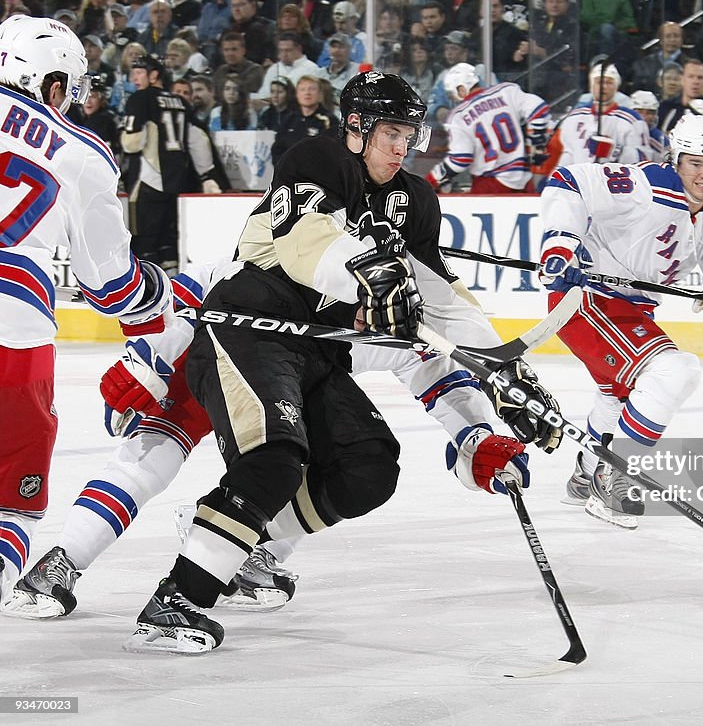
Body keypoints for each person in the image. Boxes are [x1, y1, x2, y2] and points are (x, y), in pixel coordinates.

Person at [123, 72, 561, 653]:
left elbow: (445, 304)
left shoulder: (415, 200)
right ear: (355, 128)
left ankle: (238, 536)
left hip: (317, 349)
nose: (402, 147)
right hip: (249, 328)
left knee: (368, 467)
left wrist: (504, 372)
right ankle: (176, 600)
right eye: (390, 133)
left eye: (410, 133)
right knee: (276, 457)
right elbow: (305, 243)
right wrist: (366, 270)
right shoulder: (317, 159)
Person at [2, 258, 548, 618]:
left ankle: (240, 548)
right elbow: (211, 279)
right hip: (220, 345)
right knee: (154, 458)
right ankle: (61, 562)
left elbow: (433, 370)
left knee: (336, 459)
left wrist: (475, 436)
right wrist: (146, 359)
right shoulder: (325, 245)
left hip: (293, 368)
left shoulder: (417, 307)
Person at [0, 15, 172, 601]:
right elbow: (113, 291)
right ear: (53, 84)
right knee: (11, 506)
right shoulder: (82, 153)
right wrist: (156, 297)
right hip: (14, 338)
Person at [538, 114, 703, 529]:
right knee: (676, 371)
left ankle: (586, 474)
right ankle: (616, 476)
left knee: (620, 397)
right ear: (676, 159)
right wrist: (561, 244)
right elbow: (569, 182)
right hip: (585, 298)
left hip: (632, 309)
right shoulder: (643, 186)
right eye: (696, 163)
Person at [122, 56, 222, 274]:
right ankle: (173, 292)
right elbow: (198, 140)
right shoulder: (181, 102)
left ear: (154, 74)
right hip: (176, 184)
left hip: (148, 183)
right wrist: (207, 176)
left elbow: (132, 143)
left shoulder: (140, 99)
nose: (134, 78)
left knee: (145, 244)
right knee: (169, 245)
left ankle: (148, 296)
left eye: (139, 73)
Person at [426, 64, 550, 194]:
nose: (454, 98)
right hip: (523, 179)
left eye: (453, 93)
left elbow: (460, 159)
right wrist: (537, 144)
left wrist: (432, 179)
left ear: (462, 89)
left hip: (490, 183)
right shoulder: (507, 91)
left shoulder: (459, 115)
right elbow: (538, 108)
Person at [547, 62, 647, 170]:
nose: (603, 87)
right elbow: (567, 153)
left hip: (614, 182)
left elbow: (644, 159)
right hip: (580, 181)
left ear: (616, 87)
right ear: (591, 85)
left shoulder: (632, 120)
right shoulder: (574, 117)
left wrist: (616, 151)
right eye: (599, 82)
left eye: (609, 82)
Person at [629, 89, 670, 162]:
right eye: (639, 111)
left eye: (649, 113)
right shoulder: (620, 130)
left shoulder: (660, 139)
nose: (643, 117)